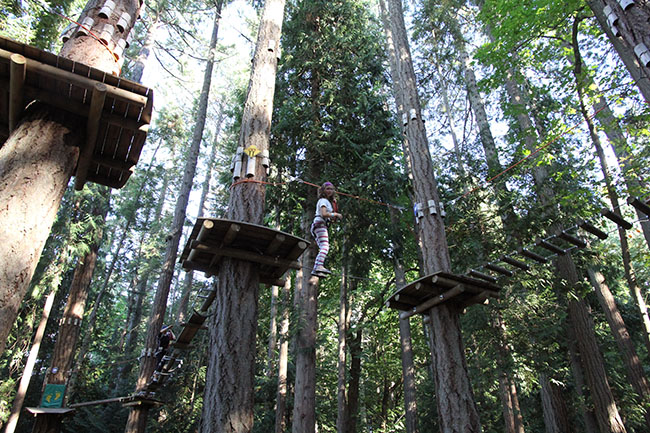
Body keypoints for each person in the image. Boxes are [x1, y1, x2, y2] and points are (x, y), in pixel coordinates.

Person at [311, 182, 342, 276]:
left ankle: (315, 269)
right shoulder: (323, 200)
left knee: (322, 247)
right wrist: (335, 214)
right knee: (325, 247)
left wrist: (333, 216)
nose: (330, 191)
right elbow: (324, 214)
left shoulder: (327, 202)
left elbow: (328, 216)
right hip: (320, 224)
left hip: (319, 224)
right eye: (328, 189)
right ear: (323, 190)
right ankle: (319, 266)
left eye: (331, 189)